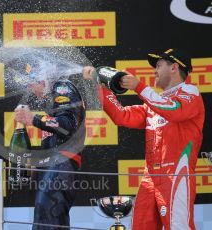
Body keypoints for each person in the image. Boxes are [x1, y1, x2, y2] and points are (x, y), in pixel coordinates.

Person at [82, 48, 205, 230]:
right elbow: (122, 116)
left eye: (159, 65)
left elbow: (173, 111)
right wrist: (98, 85)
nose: (154, 70)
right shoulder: (154, 103)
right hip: (150, 178)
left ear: (174, 67)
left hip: (177, 174)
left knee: (179, 227)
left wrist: (139, 87)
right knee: (140, 226)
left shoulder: (190, 92)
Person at [14, 62, 86, 230]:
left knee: (47, 219)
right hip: (54, 164)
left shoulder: (62, 87)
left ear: (42, 79)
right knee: (47, 219)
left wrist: (33, 118)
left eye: (31, 84)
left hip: (62, 162)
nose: (31, 89)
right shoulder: (52, 99)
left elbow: (66, 126)